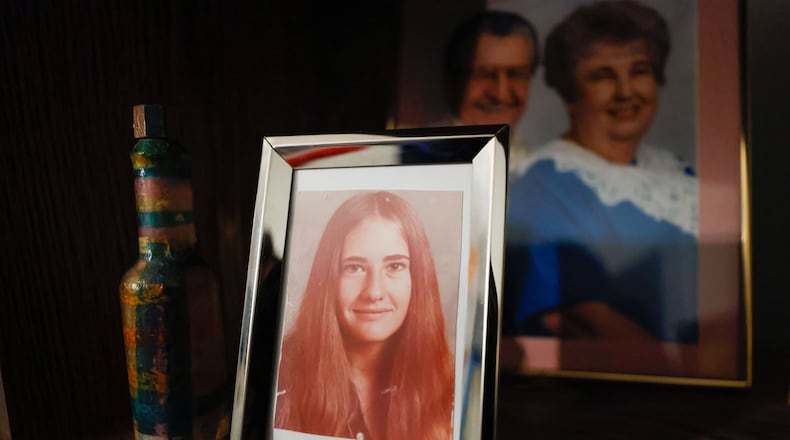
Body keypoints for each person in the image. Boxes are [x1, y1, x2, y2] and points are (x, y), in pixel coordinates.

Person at [503, 1, 699, 346]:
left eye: (639, 70)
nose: (626, 92)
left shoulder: (677, 172)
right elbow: (576, 319)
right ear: (570, 92)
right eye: (602, 76)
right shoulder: (541, 186)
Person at [274, 191, 454, 439]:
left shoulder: (448, 385)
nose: (374, 291)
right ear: (329, 280)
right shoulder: (280, 379)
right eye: (355, 268)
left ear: (418, 278)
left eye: (395, 266)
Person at [404, 10, 538, 171]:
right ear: (452, 81)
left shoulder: (538, 171)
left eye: (516, 75)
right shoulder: (410, 160)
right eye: (484, 75)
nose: (501, 94)